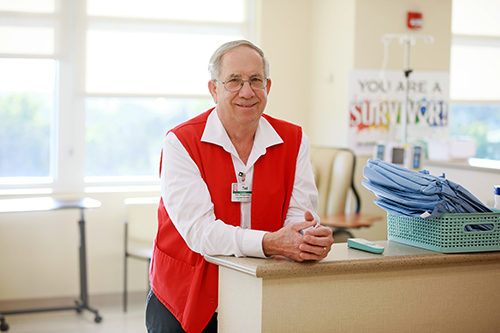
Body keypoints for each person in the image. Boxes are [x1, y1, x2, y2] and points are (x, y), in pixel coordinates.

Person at [145, 40, 334, 333]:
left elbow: (300, 215)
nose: (247, 92)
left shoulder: (294, 140)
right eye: (234, 81)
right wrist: (270, 242)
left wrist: (306, 240)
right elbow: (200, 233)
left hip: (259, 295)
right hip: (185, 298)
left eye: (255, 80)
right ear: (214, 89)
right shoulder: (181, 143)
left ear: (267, 86)